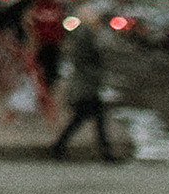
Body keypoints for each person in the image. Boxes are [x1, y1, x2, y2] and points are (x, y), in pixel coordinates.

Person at [49, 10, 120, 161]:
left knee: (85, 118)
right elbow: (89, 56)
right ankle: (104, 151)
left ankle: (60, 146)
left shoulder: (84, 33)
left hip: (87, 85)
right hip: (86, 85)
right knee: (90, 118)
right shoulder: (86, 34)